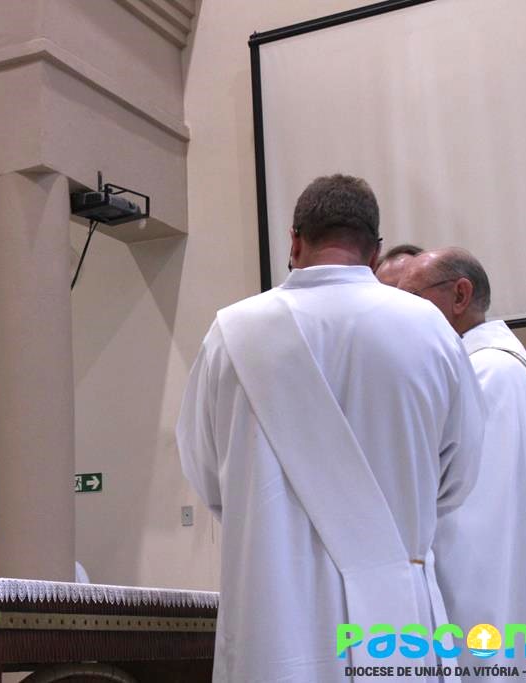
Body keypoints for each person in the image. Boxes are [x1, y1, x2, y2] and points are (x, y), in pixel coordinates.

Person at [176, 174, 486, 682]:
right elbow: (458, 477)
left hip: (274, 614)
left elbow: (207, 474)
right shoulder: (430, 329)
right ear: (375, 251)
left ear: (294, 241)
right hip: (393, 617)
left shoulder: (231, 333)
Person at [399, 248, 526, 674]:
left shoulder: (479, 377)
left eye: (410, 297)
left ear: (459, 295)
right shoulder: (513, 372)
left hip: (484, 617)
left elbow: (463, 527)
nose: (399, 314)